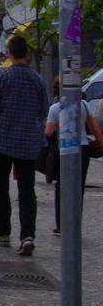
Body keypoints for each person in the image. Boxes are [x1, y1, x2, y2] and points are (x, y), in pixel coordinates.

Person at [0, 35, 49, 257]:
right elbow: (44, 111)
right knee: (27, 189)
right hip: (28, 144)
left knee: (1, 187)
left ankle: (3, 231)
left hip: (4, 141)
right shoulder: (37, 80)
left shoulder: (1, 78)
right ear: (26, 53)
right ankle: (27, 235)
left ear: (9, 53)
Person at [44, 78, 93, 236]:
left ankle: (62, 224)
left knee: (62, 187)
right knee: (79, 187)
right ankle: (76, 223)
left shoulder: (55, 108)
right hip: (83, 148)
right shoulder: (84, 105)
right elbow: (93, 126)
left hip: (64, 149)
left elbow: (49, 132)